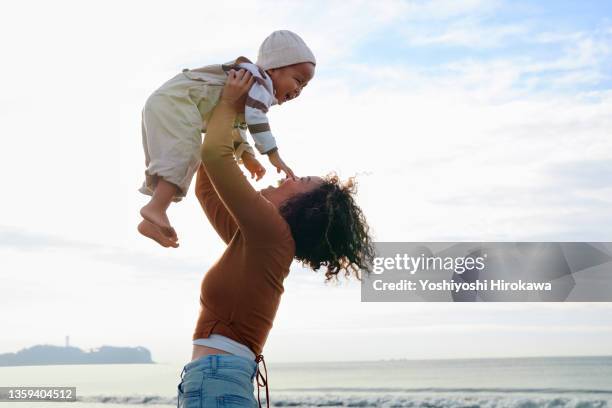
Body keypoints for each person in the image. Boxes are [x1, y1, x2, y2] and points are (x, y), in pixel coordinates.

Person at [173, 69, 375, 408]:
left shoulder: (271, 236)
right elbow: (207, 185)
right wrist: (235, 124)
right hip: (215, 379)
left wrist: (230, 103)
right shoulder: (259, 244)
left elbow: (213, 157)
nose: (287, 177)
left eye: (300, 180)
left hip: (216, 380)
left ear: (304, 207)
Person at [138, 30, 316, 247]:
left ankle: (153, 216)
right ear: (274, 68)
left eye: (304, 86)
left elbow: (236, 123)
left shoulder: (254, 86)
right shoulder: (258, 81)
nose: (299, 90)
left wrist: (246, 155)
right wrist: (273, 154)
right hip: (176, 102)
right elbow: (255, 118)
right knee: (186, 154)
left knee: (177, 157)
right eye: (298, 80)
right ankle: (156, 208)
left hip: (171, 103)